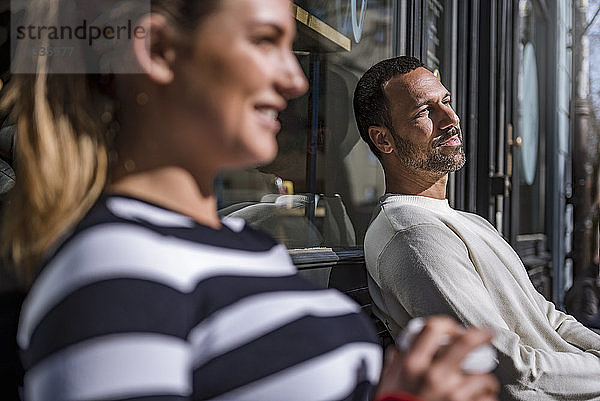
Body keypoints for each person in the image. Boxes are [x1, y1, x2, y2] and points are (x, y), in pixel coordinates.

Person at [2, 2, 498, 400]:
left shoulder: (247, 244)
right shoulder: (110, 268)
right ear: (158, 51)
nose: (295, 81)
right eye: (265, 41)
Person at [353, 55, 600, 401]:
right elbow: (510, 372)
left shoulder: (468, 221)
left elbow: (550, 320)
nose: (451, 118)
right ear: (383, 141)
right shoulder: (411, 235)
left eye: (447, 101)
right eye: (425, 111)